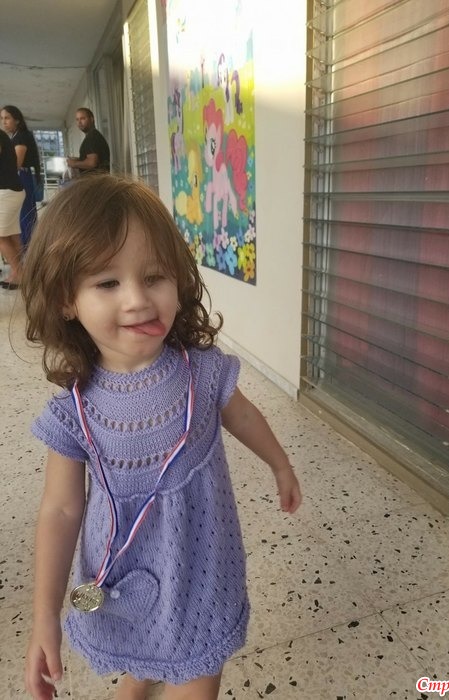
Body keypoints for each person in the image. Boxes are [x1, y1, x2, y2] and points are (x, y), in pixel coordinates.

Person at [21, 174, 302, 700]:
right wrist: (44, 616)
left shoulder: (203, 373)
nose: (137, 300)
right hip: (122, 575)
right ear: (65, 300)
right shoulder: (74, 413)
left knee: (195, 668)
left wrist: (280, 463)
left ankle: (158, 670)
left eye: (154, 277)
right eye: (107, 283)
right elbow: (59, 510)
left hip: (201, 568)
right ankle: (141, 674)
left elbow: (243, 417)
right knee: (143, 639)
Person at [0, 105, 42, 247]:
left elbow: (15, 164)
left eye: (7, 118)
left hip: (22, 178)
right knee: (19, 222)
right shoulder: (16, 136)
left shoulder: (21, 137)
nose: (4, 122)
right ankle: (25, 250)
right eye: (2, 118)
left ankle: (29, 249)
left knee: (25, 217)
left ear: (17, 120)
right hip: (21, 178)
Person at [0, 129, 24, 289]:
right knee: (12, 235)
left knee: (1, 237)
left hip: (6, 192)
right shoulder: (3, 136)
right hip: (13, 190)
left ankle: (18, 275)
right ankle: (22, 271)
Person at [66, 107, 110, 175]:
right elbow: (94, 159)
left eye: (82, 118)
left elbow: (92, 163)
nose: (79, 122)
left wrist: (74, 163)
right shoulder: (93, 135)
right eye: (77, 119)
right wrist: (79, 159)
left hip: (97, 180)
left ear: (91, 119)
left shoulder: (92, 136)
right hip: (99, 179)